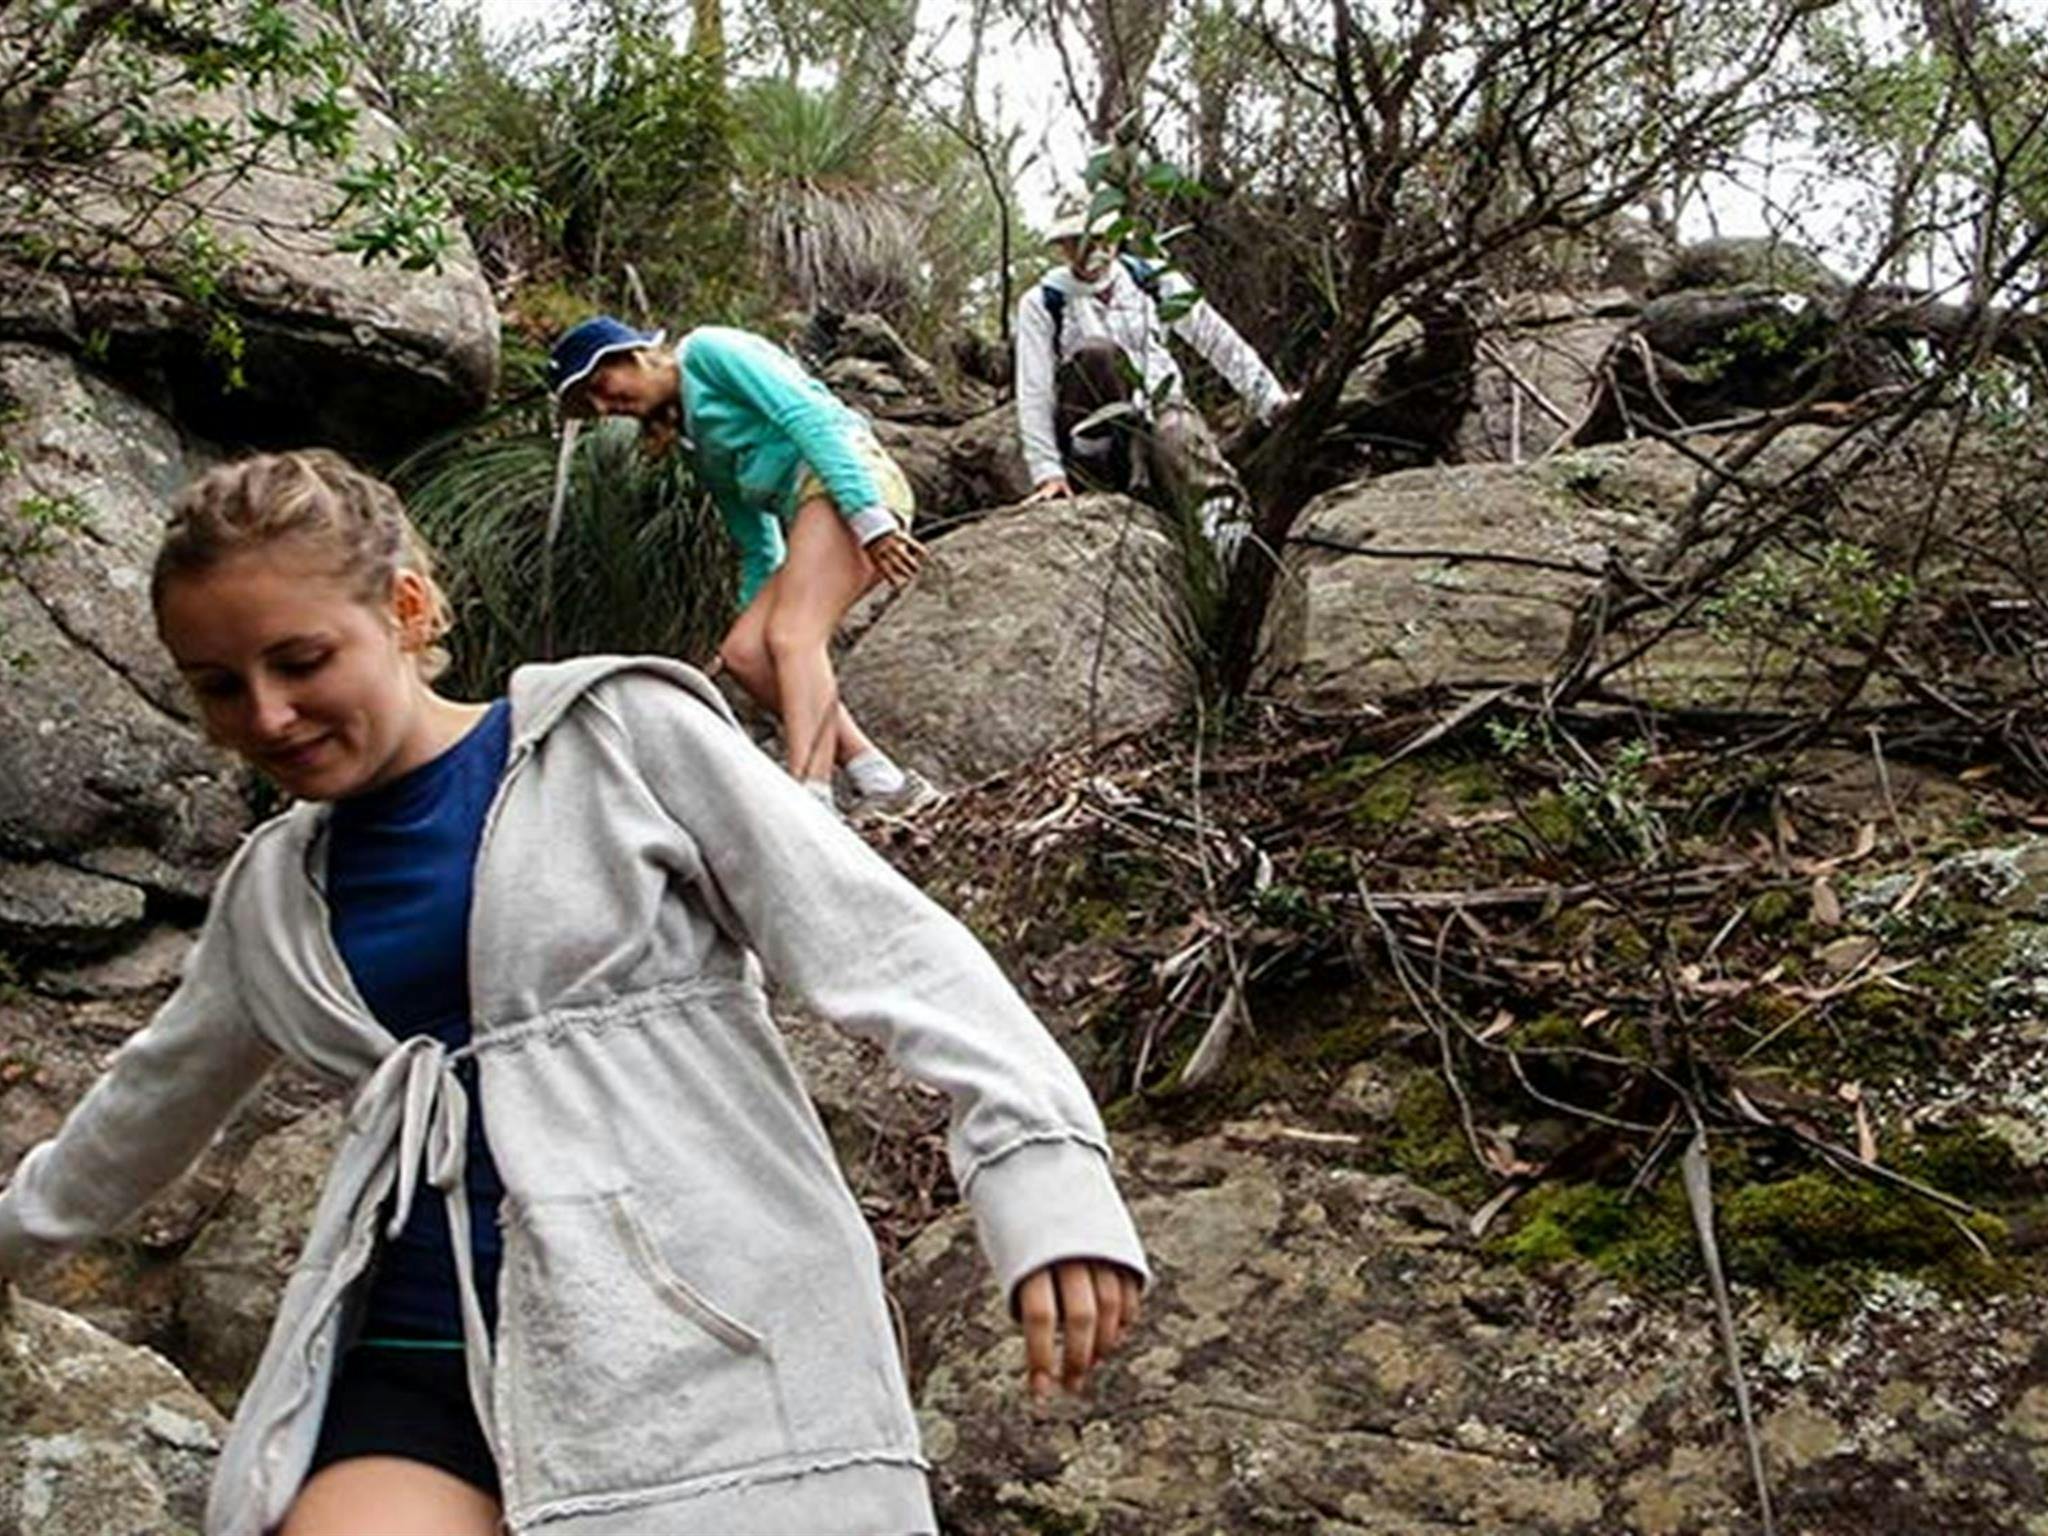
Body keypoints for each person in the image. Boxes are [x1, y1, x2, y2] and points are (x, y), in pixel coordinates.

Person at [0, 450, 1149, 1536]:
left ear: (404, 612)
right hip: (421, 1345)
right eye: (220, 687)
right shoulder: (273, 892)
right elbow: (139, 1112)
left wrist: (1042, 1178)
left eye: (300, 662)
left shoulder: (615, 741)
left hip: (694, 1343)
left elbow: (884, 946)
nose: (267, 717)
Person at [548, 314, 931, 816]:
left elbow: (809, 417)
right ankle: (879, 777)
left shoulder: (710, 351)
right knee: (747, 651)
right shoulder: (691, 439)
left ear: (635, 355)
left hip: (850, 482)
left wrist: (871, 522)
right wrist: (749, 616)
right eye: (590, 407)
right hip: (815, 510)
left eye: (600, 385)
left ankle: (812, 802)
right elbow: (754, 541)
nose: (604, 406)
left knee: (794, 637)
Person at [1014, 199, 1297, 560]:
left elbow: (1216, 339)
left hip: (1161, 402)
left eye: (1100, 237)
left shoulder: (1151, 279)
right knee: (1097, 353)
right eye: (1076, 241)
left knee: (1178, 432)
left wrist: (1269, 399)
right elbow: (1034, 388)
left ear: (1115, 237)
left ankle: (1228, 533)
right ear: (1062, 249)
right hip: (1093, 424)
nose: (1091, 250)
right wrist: (1046, 472)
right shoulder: (1043, 302)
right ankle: (1100, 475)